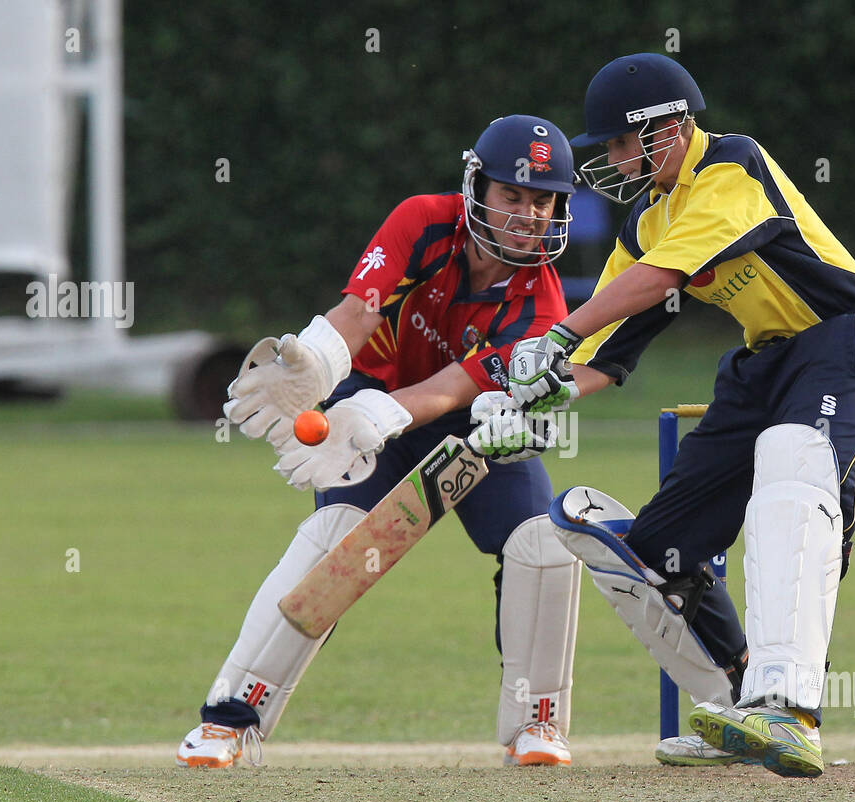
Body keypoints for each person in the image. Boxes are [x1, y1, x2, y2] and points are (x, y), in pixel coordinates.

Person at [487, 55, 855, 777]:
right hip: (765, 361)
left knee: (792, 467)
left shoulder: (733, 166)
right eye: (610, 148)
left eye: (624, 142)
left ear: (673, 126)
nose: (615, 160)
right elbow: (602, 349)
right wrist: (533, 395)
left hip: (846, 338)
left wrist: (550, 339)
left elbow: (660, 280)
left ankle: (790, 707)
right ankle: (744, 708)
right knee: (656, 552)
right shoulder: (648, 220)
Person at [178, 115, 582, 769]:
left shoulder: (542, 307)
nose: (528, 215)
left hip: (478, 422)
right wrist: (314, 361)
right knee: (334, 537)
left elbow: (454, 387)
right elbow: (358, 312)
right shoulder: (423, 220)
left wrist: (379, 414)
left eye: (544, 201)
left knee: (540, 546)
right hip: (374, 387)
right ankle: (230, 720)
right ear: (478, 188)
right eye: (513, 195)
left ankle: (538, 723)